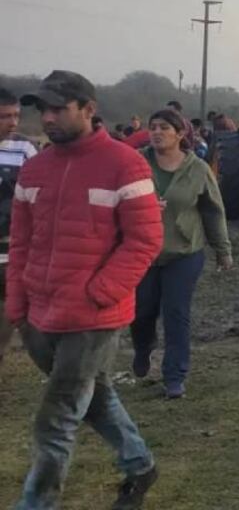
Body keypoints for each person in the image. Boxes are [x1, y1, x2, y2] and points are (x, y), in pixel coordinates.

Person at [7, 71, 163, 509]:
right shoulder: (35, 168)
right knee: (95, 398)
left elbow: (144, 239)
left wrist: (101, 291)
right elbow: (21, 241)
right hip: (39, 313)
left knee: (55, 417)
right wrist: (18, 302)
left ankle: (36, 503)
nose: (48, 117)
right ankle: (140, 463)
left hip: (94, 316)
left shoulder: (125, 164)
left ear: (88, 109)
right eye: (44, 109)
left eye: (59, 108)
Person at [131, 109, 232, 399]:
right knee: (141, 312)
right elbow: (116, 198)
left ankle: (175, 376)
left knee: (176, 314)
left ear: (180, 134)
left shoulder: (198, 168)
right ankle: (143, 348)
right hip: (142, 253)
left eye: (164, 127)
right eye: (153, 127)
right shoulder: (136, 162)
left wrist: (223, 250)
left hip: (185, 253)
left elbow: (214, 211)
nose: (157, 132)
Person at [0, 87, 37, 365]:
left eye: (16, 116)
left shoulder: (25, 148)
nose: (12, 123)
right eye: (4, 117)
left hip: (9, 255)